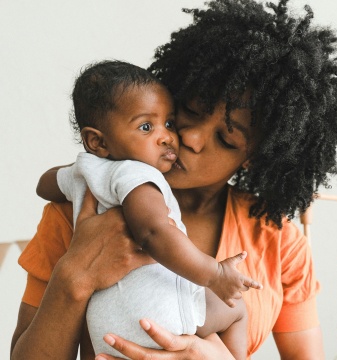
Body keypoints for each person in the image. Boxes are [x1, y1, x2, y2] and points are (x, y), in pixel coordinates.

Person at [11, 0, 337, 359]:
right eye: (189, 112)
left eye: (226, 139)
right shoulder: (75, 214)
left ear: (252, 157)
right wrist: (74, 276)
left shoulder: (278, 242)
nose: (190, 138)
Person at [36, 60, 261, 359]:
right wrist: (215, 273)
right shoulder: (139, 176)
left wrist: (84, 169)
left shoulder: (86, 170)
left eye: (169, 123)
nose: (170, 136)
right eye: (146, 127)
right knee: (236, 310)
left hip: (107, 333)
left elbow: (45, 185)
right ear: (97, 140)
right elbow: (154, 231)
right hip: (160, 321)